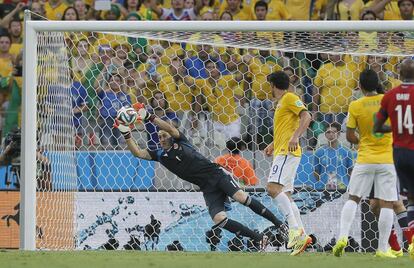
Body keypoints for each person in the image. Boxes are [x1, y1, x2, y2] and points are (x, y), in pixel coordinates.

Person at [114, 103, 286, 250]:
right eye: (159, 136)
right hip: (207, 187)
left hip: (217, 175)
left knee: (241, 197)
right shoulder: (160, 155)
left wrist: (150, 117)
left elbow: (172, 129)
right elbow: (137, 153)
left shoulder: (182, 141)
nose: (161, 138)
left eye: (163, 135)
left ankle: (279, 224)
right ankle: (258, 238)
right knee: (219, 219)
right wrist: (126, 134)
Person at [333, 69, 398, 258]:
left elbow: (349, 135)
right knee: (387, 203)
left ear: (360, 86)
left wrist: (363, 140)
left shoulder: (355, 105)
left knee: (353, 198)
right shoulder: (389, 101)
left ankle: (342, 237)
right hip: (387, 159)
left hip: (364, 158)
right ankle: (382, 248)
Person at [263, 71, 312, 256]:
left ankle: (294, 231)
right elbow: (286, 128)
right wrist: (273, 144)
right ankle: (302, 237)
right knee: (286, 195)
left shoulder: (290, 97)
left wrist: (295, 137)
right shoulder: (282, 102)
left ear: (273, 85)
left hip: (287, 153)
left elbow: (306, 116)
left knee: (272, 189)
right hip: (282, 150)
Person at [374, 58, 414, 259]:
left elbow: (377, 127)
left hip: (397, 153)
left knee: (393, 200)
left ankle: (402, 244)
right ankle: (410, 243)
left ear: (399, 75)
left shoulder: (389, 96)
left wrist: (396, 128)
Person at [313, 123, 353, 190]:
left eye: (334, 132)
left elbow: (350, 171)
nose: (331, 134)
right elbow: (316, 171)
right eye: (328, 132)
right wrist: (323, 182)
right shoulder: (319, 152)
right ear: (325, 135)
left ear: (338, 134)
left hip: (342, 189)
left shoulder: (346, 152)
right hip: (324, 188)